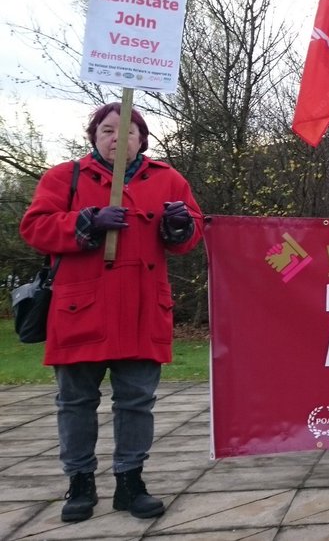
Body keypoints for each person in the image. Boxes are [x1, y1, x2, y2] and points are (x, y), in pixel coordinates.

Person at [18, 103, 203, 523]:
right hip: (80, 308)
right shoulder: (65, 177)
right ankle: (80, 481)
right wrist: (86, 222)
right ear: (93, 136)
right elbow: (34, 228)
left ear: (143, 138)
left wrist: (179, 224)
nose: (118, 137)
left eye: (129, 131)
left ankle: (130, 481)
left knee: (137, 401)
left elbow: (189, 234)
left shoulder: (168, 178)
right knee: (75, 402)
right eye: (107, 130)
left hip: (142, 308)